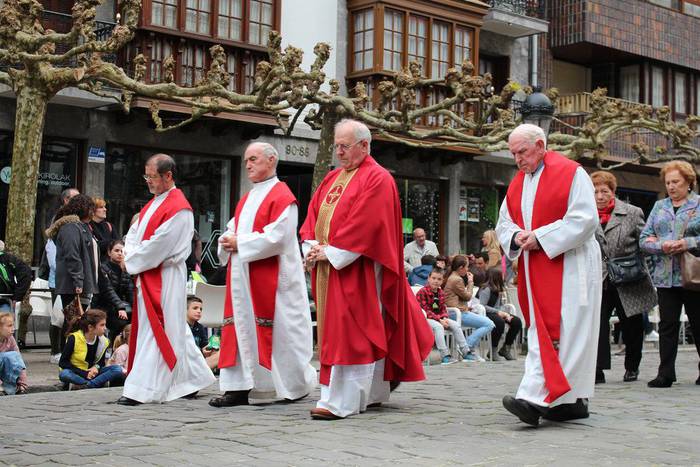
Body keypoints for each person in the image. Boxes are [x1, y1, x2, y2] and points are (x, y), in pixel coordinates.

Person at [300, 119, 433, 420]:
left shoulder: (378, 178)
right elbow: (313, 216)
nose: (339, 153)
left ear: (364, 145)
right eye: (336, 146)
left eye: (345, 146)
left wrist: (330, 252)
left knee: (354, 328)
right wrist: (311, 247)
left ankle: (341, 401)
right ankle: (371, 392)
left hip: (359, 268)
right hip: (329, 267)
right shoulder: (331, 179)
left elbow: (366, 223)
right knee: (338, 328)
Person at [495, 123, 601, 427]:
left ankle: (537, 397)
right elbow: (504, 223)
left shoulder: (571, 173)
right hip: (536, 266)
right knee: (542, 330)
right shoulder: (518, 182)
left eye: (522, 151)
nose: (517, 159)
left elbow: (585, 219)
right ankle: (567, 402)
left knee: (569, 332)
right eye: (513, 153)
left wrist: (540, 237)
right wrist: (515, 237)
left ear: (541, 145)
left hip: (571, 264)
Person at [210, 142, 316, 408]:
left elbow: (278, 237)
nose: (247, 165)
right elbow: (232, 227)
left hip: (273, 281)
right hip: (243, 279)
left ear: (271, 160)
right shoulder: (247, 198)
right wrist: (227, 239)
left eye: (253, 159)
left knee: (278, 333)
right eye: (246, 160)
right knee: (241, 328)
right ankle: (238, 386)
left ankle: (286, 386)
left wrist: (240, 243)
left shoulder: (283, 196)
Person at [117, 153, 215, 405]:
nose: (148, 181)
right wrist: (130, 252)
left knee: (157, 327)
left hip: (166, 275)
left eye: (152, 177)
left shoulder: (179, 208)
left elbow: (161, 245)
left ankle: (142, 389)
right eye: (146, 176)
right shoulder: (154, 203)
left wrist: (132, 259)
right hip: (150, 271)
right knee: (173, 329)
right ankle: (190, 379)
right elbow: (134, 233)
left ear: (168, 175)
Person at [591, 171, 656, 384]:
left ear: (613, 191)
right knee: (597, 325)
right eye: (595, 192)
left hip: (628, 276)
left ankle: (632, 366)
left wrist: (637, 265)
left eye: (604, 191)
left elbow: (644, 243)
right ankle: (597, 369)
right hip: (599, 277)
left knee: (632, 324)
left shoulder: (632, 212)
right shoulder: (586, 214)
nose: (600, 196)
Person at [640, 160, 700, 388]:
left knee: (698, 324)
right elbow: (644, 239)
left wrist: (687, 242)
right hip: (665, 276)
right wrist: (662, 245)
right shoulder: (660, 206)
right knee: (667, 325)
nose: (671, 186)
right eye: (668, 183)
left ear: (688, 182)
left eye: (676, 182)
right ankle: (665, 373)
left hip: (693, 274)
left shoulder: (698, 204)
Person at [443, 255, 493, 362]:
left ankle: (469, 347)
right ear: (461, 268)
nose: (467, 269)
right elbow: (468, 296)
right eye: (466, 267)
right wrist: (470, 282)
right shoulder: (456, 279)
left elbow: (463, 297)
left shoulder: (453, 277)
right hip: (457, 313)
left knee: (483, 323)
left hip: (458, 311)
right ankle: (467, 346)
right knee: (489, 324)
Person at [58, 309, 124, 390]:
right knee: (64, 374)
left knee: (117, 369)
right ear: (90, 327)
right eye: (102, 325)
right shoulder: (74, 338)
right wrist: (84, 373)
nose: (105, 328)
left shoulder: (103, 341)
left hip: (92, 374)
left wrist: (96, 367)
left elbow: (101, 362)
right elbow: (63, 363)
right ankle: (92, 383)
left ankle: (87, 385)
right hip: (77, 373)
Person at [416, 268, 470, 364]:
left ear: (442, 281)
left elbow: (443, 308)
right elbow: (425, 310)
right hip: (424, 319)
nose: (436, 281)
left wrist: (444, 317)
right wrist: (440, 320)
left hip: (439, 318)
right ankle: (445, 355)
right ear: (429, 278)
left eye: (439, 279)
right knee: (438, 327)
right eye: (434, 278)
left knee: (455, 325)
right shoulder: (422, 292)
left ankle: (466, 351)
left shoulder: (440, 292)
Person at [477, 267, 522, 361]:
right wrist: (498, 312)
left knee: (516, 321)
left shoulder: (498, 289)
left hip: (497, 313)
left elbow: (500, 305)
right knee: (499, 322)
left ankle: (506, 348)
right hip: (486, 313)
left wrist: (506, 314)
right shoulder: (486, 289)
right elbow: (482, 306)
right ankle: (493, 350)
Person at [100, 240, 133, 341]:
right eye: (116, 250)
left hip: (120, 306)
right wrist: (120, 307)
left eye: (122, 251)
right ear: (109, 253)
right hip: (104, 305)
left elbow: (130, 291)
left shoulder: (126, 270)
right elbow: (108, 291)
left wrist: (136, 307)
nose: (120, 253)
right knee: (120, 321)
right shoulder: (103, 269)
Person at [186, 296, 219, 371]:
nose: (199, 311)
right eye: (195, 308)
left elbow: (204, 345)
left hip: (198, 361)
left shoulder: (200, 327)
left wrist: (207, 349)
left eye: (201, 309)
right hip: (186, 362)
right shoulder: (181, 327)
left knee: (218, 352)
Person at [0, 312, 28, 395]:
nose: (13, 328)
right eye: (9, 326)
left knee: (15, 356)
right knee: (10, 356)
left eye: (13, 325)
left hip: (3, 371)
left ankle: (15, 388)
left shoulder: (10, 338)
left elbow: (19, 361)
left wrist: (23, 383)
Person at [0, 248, 32, 314]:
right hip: (5, 300)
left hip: (4, 301)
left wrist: (17, 297)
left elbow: (25, 273)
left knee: (5, 320)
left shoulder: (7, 259)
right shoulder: (8, 258)